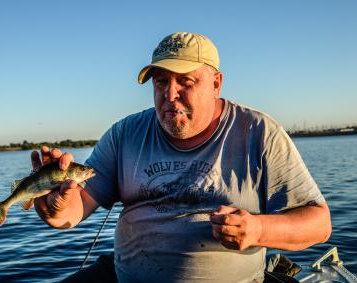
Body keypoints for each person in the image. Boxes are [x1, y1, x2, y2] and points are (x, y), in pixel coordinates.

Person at [31, 32, 332, 283]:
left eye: (185, 81)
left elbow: (318, 224)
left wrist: (257, 230)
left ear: (216, 83)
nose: (169, 94)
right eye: (161, 82)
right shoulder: (125, 134)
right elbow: (71, 211)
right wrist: (55, 207)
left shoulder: (258, 133)